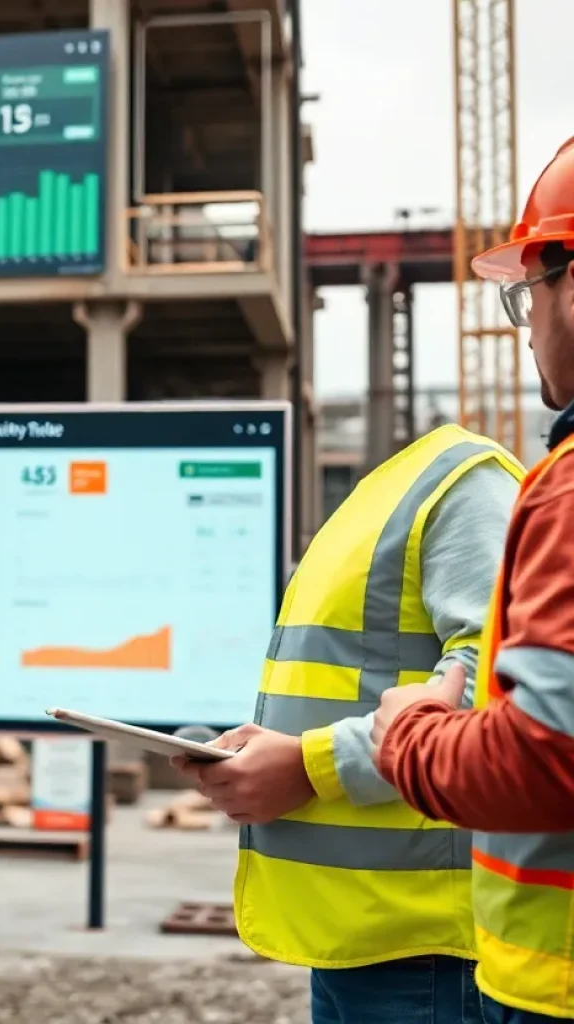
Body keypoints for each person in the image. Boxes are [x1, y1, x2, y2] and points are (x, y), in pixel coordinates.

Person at [175, 422, 524, 1023]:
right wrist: (264, 757)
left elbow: (494, 686)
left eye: (528, 316)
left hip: (429, 943)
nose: (525, 332)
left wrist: (311, 767)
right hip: (365, 936)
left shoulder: (463, 485)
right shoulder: (384, 496)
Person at [372, 137, 574, 1024]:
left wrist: (408, 730)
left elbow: (542, 759)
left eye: (527, 293)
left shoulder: (566, 492)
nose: (527, 326)